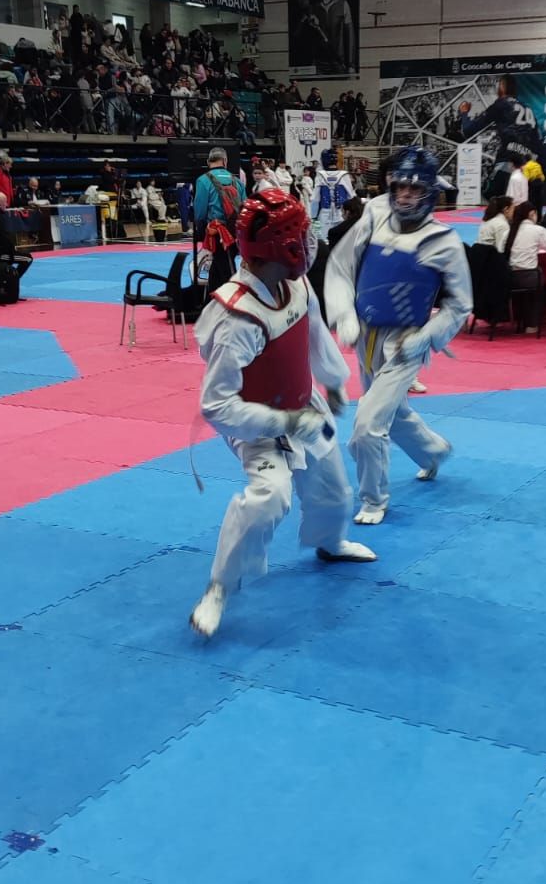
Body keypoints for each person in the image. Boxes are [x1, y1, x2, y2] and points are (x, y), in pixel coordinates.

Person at [188, 187, 376, 640]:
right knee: (271, 496)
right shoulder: (238, 319)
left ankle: (330, 544)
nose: (310, 245)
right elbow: (217, 406)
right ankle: (218, 587)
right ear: (284, 247)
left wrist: (332, 381)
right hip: (256, 424)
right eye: (302, 236)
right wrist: (282, 423)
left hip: (302, 406)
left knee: (333, 487)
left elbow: (313, 334)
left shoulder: (295, 283)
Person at [325, 147, 472, 527]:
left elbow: (460, 305)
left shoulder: (444, 242)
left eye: (414, 188)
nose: (405, 195)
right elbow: (341, 266)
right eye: (400, 186)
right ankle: (432, 451)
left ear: (429, 192)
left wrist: (426, 339)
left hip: (404, 346)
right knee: (394, 410)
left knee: (367, 425)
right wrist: (343, 314)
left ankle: (373, 499)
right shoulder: (374, 214)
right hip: (365, 334)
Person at [295, 0, 355, 74]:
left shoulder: (343, 5)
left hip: (338, 62)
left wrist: (350, 64)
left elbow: (349, 36)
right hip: (319, 64)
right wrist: (305, 20)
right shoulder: (312, 9)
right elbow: (297, 36)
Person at [193, 146, 246, 242]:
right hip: (236, 232)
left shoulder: (202, 180)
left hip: (215, 231)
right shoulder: (238, 181)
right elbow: (245, 210)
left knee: (218, 257)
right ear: (225, 160)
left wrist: (201, 232)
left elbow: (200, 212)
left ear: (208, 162)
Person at [308, 147, 354, 248]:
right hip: (341, 214)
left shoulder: (320, 175)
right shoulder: (344, 175)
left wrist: (313, 217)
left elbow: (315, 199)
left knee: (322, 242)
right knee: (341, 242)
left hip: (325, 214)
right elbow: (352, 196)